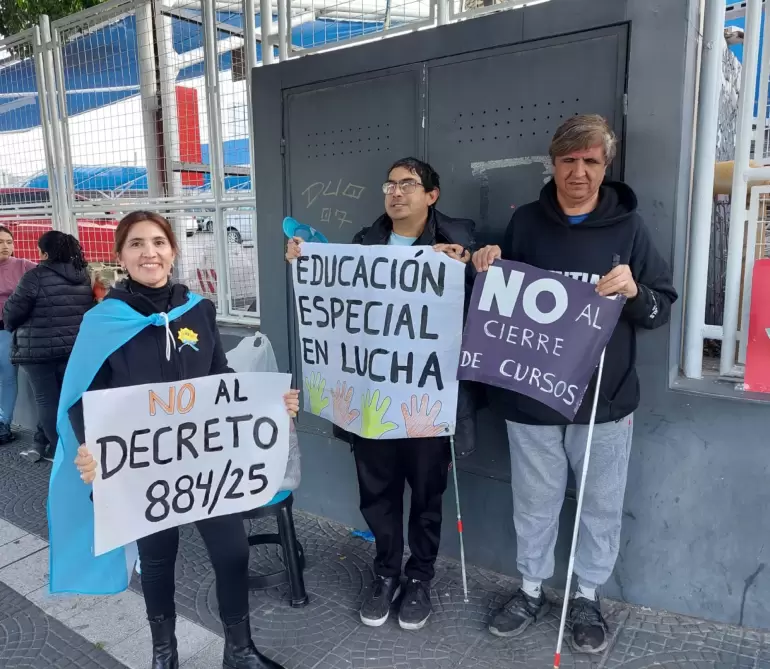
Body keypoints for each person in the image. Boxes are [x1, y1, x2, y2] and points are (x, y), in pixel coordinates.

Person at [50, 212, 297, 669]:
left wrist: (266, 404)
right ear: (120, 256)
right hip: (144, 467)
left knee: (232, 551)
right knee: (158, 560)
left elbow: (220, 376)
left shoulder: (197, 309)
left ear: (173, 250)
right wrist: (91, 451)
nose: (150, 252)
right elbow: (83, 398)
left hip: (205, 462)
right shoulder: (103, 321)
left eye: (159, 242)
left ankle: (239, 651)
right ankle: (165, 653)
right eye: (137, 244)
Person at [471, 115, 678, 653]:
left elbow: (660, 310)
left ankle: (587, 596)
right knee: (533, 504)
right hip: (532, 398)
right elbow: (502, 296)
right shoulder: (526, 224)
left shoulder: (630, 229)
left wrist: (635, 292)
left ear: (605, 166)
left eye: (590, 161)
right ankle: (531, 589)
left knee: (600, 506)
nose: (579, 172)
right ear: (554, 163)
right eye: (569, 161)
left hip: (602, 405)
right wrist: (488, 260)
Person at [286, 158, 477, 631]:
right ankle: (386, 571)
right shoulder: (363, 245)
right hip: (373, 400)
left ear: (431, 195)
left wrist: (467, 271)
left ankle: (420, 578)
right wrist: (305, 261)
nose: (396, 192)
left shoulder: (460, 244)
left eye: (408, 184)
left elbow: (482, 313)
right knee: (377, 494)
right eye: (390, 184)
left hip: (427, 402)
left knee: (427, 493)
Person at [3, 231, 93, 463]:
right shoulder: (83, 275)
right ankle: (78, 445)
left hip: (38, 352)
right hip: (73, 348)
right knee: (70, 399)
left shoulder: (34, 276)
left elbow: (12, 313)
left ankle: (61, 450)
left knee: (46, 401)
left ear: (43, 253)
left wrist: (12, 326)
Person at [0, 225, 35, 444]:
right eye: (0, 242)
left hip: (8, 330)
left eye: (8, 242)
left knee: (8, 377)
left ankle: (4, 423)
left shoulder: (24, 266)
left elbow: (49, 279)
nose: (5, 246)